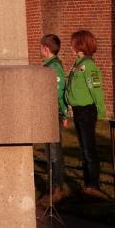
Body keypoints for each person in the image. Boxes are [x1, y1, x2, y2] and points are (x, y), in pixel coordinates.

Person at [65, 28, 106, 199]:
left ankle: (93, 186)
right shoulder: (77, 64)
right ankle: (87, 184)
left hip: (87, 111)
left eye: (73, 43)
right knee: (83, 149)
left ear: (80, 45)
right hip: (78, 111)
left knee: (89, 149)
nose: (71, 47)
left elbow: (96, 90)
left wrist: (101, 112)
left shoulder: (88, 66)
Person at [40, 33, 68, 202]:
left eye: (41, 47)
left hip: (53, 112)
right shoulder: (47, 65)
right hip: (46, 112)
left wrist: (63, 113)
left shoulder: (54, 67)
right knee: (49, 151)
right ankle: (51, 185)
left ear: (46, 48)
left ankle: (57, 187)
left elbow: (59, 91)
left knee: (54, 151)